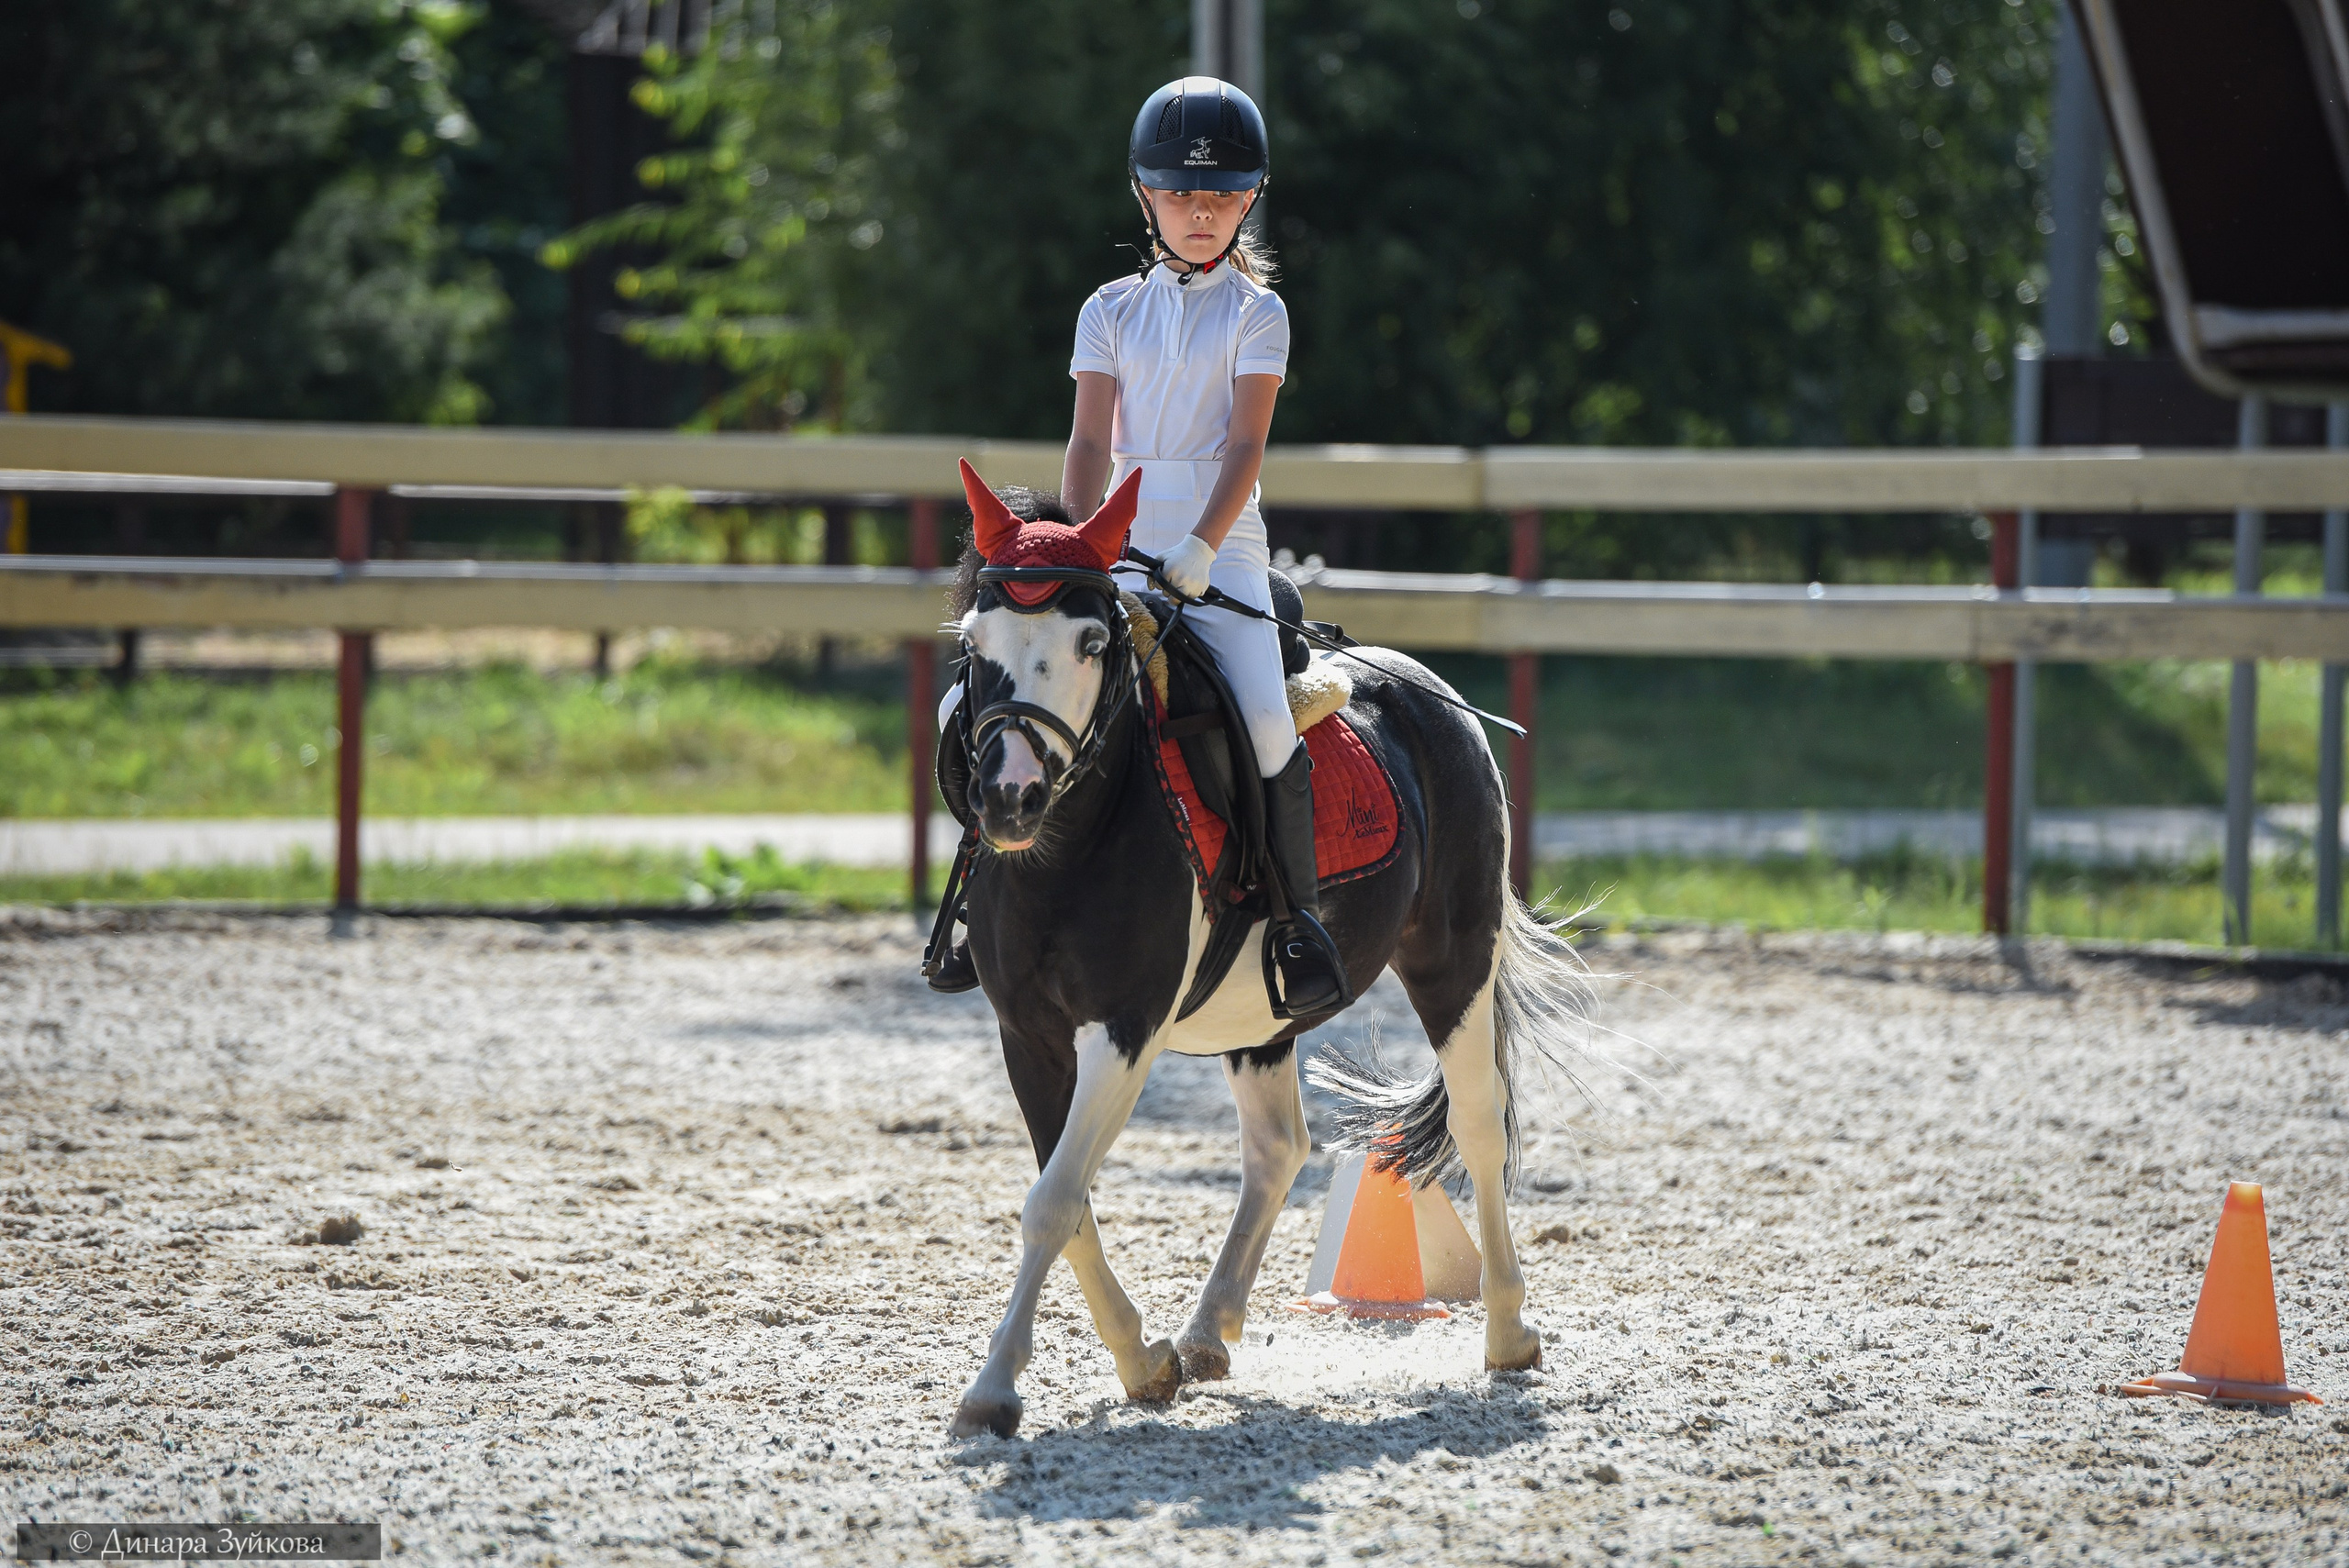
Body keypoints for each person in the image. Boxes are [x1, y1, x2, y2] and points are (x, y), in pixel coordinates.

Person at [929, 75, 1350, 1018]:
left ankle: (1294, 922)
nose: (1200, 213)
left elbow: (1243, 446)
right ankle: (972, 903)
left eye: (1221, 197)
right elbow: (1088, 440)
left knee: (1266, 718)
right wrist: (1078, 547)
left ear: (1248, 200)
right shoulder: (1108, 308)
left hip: (1220, 546)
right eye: (1179, 194)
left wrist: (1202, 543)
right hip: (1111, 548)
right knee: (988, 691)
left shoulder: (1257, 314)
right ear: (1144, 197)